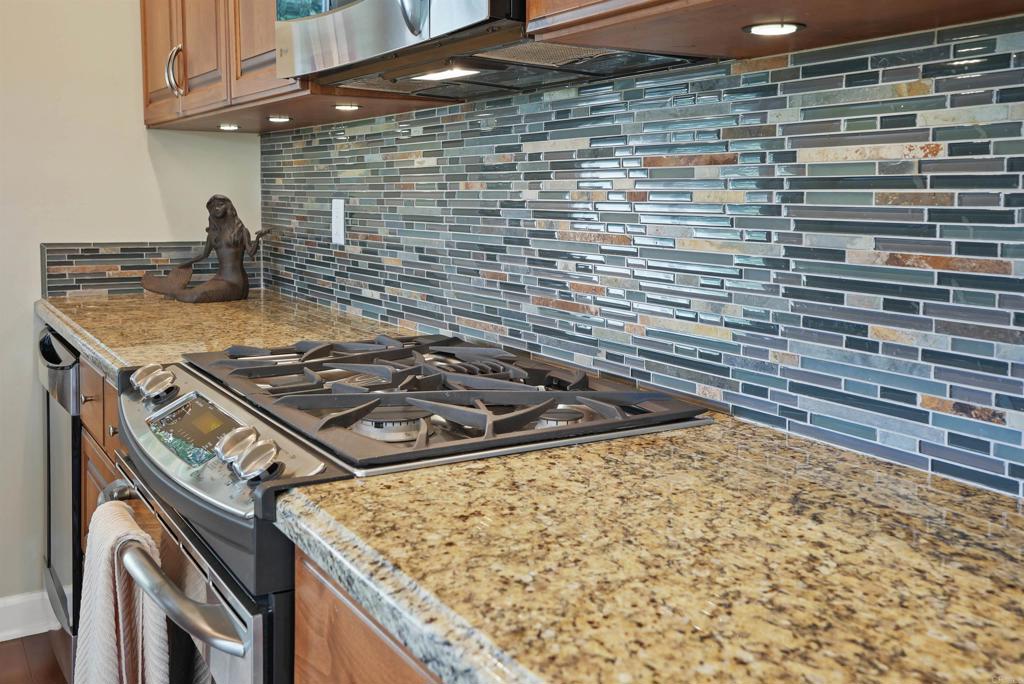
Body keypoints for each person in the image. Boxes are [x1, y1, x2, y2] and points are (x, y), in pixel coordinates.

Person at [142, 194, 269, 303]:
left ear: (229, 207)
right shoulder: (213, 235)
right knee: (193, 294)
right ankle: (172, 289)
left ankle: (170, 289)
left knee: (194, 296)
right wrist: (184, 264)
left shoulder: (240, 231)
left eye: (220, 205)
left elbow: (251, 252)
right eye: (213, 207)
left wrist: (258, 238)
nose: (217, 208)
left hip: (236, 283)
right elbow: (204, 255)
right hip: (219, 279)